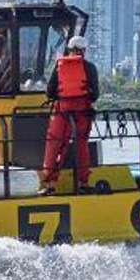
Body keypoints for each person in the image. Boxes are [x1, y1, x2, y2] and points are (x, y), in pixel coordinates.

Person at [38, 35, 98, 195]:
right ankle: (83, 183)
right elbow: (95, 94)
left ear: (70, 49)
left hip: (62, 111)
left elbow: (50, 92)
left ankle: (49, 184)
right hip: (82, 111)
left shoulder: (59, 65)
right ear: (84, 51)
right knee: (81, 145)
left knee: (55, 145)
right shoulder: (90, 67)